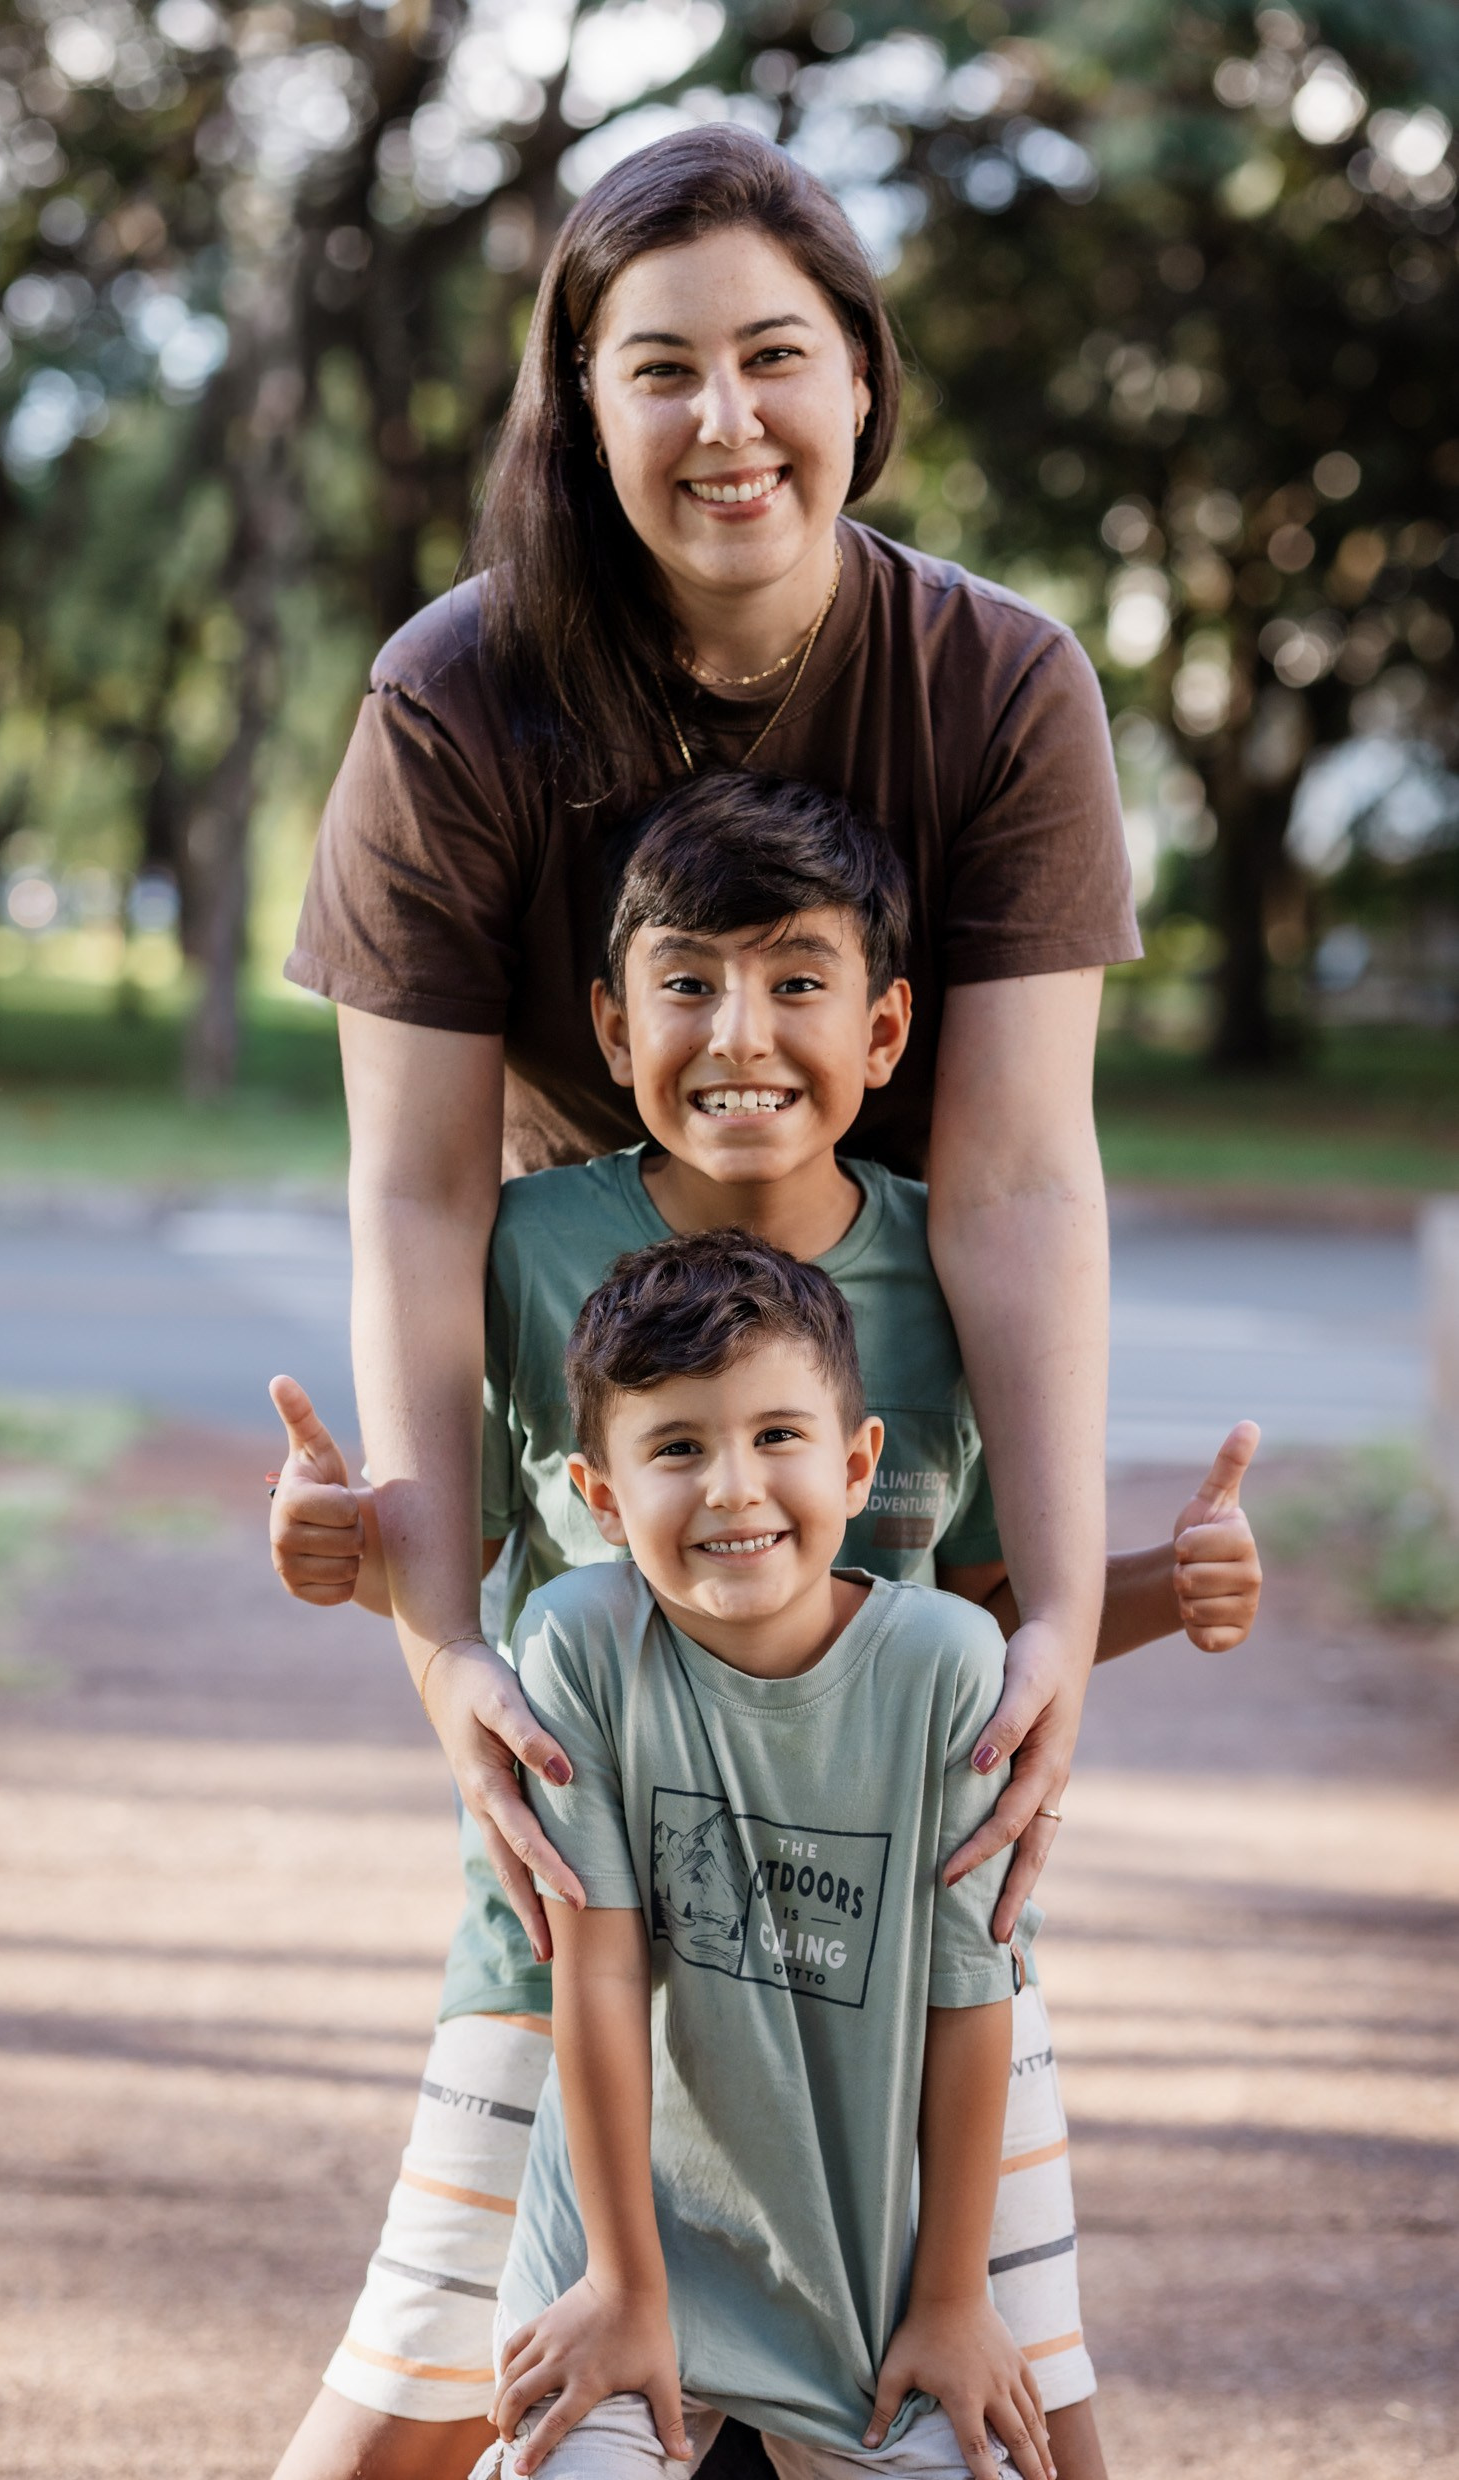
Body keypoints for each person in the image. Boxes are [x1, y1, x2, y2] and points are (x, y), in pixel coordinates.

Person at [275, 119, 1144, 2480]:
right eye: (655, 368)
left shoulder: (995, 684)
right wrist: (445, 1644)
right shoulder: (458, 695)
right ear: (575, 407)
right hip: (624, 1484)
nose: (724, 418)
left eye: (777, 355)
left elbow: (1024, 1173)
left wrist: (1061, 1605)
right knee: (455, 2348)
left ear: (862, 380)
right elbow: (418, 1191)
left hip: (856, 1504)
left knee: (1001, 2363)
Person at [271, 774, 1264, 2480]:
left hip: (891, 1954)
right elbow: (486, 1559)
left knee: (1027, 2404)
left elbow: (941, 1624)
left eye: (796, 979)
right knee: (418, 2391)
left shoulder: (942, 1276)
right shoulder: (534, 1252)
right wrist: (342, 1547)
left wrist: (1159, 1592)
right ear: (607, 1017)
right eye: (688, 981)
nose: (742, 1031)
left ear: (883, 1028)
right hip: (560, 1925)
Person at [484, 1228, 1059, 2480]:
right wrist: (625, 2286)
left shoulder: (949, 1667)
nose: (733, 1487)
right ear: (600, 1495)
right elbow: (590, 1974)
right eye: (677, 1446)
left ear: (860, 1465)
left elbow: (969, 1998)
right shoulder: (578, 1642)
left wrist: (954, 2300)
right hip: (622, 2256)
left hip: (866, 2276)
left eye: (777, 1436)